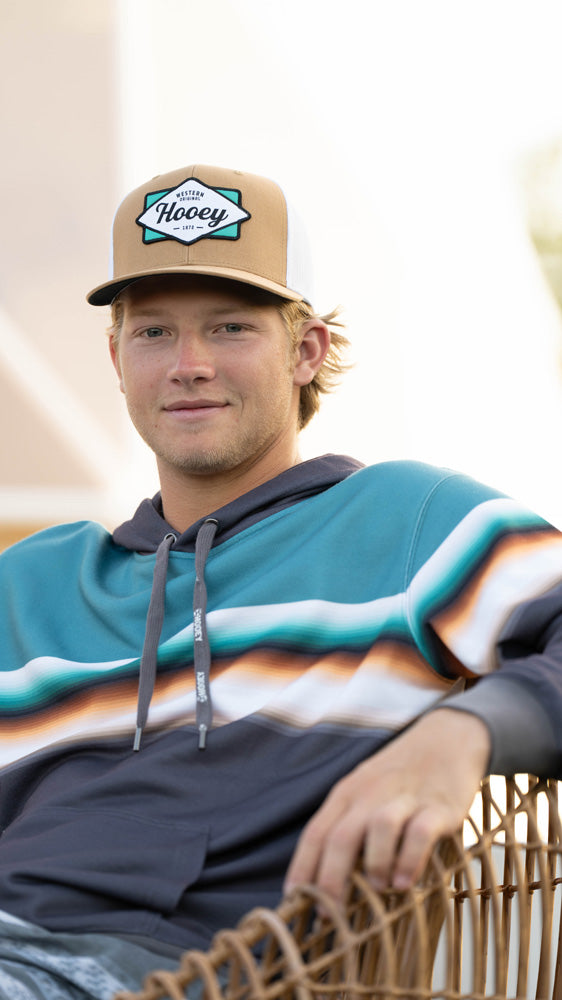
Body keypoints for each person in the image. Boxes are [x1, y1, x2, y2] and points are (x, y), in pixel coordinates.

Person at [0, 163, 561, 1000]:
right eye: (153, 333)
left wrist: (464, 735)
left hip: (163, 972)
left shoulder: (407, 519)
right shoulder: (33, 581)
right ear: (116, 357)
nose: (188, 364)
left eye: (229, 328)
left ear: (306, 350)